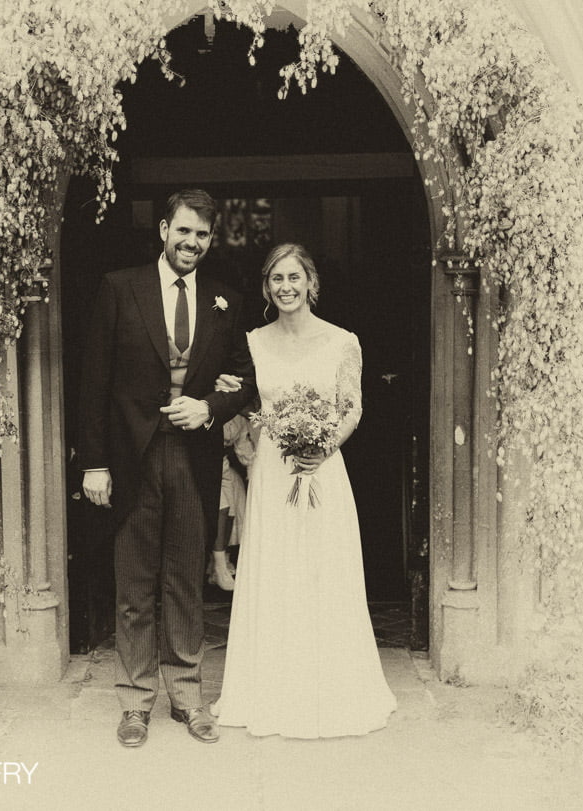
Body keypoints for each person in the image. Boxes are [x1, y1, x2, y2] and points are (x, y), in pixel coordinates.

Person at [78, 189, 255, 748]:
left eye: (202, 235)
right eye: (184, 231)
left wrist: (209, 407)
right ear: (163, 230)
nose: (192, 243)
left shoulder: (224, 300)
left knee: (183, 580)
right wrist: (95, 463)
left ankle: (186, 696)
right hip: (132, 458)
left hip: (193, 456)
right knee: (134, 583)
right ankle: (134, 703)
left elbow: (247, 379)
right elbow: (93, 383)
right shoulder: (119, 287)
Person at [213, 243, 397, 738]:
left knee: (322, 571)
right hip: (274, 474)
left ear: (310, 282)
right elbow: (243, 396)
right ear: (267, 288)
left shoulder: (342, 342)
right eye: (277, 279)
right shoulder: (252, 342)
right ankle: (270, 688)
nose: (286, 287)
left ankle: (329, 688)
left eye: (294, 277)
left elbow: (352, 407)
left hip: (322, 471)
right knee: (276, 571)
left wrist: (324, 445)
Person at [208, 412, 257, 591]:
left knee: (230, 512)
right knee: (221, 507)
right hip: (204, 462)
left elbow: (244, 449)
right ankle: (220, 567)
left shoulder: (240, 420)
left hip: (222, 464)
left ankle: (219, 563)